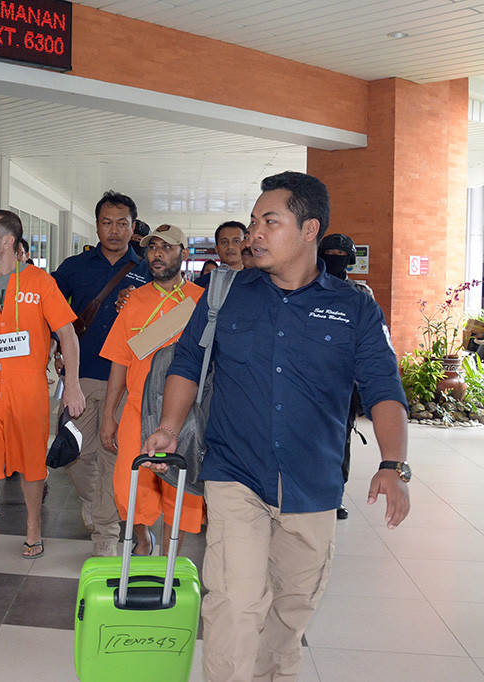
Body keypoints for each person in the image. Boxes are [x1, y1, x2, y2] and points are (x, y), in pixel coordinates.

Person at [142, 171, 410, 681]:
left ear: (309, 230)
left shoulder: (354, 306)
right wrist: (170, 426)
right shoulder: (223, 295)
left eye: (270, 221)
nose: (254, 234)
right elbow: (184, 364)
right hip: (234, 473)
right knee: (233, 604)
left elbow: (383, 388)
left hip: (312, 484)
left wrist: (394, 463)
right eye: (251, 222)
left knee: (290, 612)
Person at [0, 210, 86, 593]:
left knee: (32, 468)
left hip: (28, 393)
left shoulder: (40, 283)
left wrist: (72, 385)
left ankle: (33, 526)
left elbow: (68, 335)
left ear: (7, 240)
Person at [51, 190, 153, 557]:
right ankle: (98, 508)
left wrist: (138, 307)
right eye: (107, 222)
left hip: (126, 382)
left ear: (133, 227)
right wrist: (57, 356)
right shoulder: (73, 268)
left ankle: (106, 536)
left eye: (122, 223)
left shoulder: (147, 271)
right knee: (77, 457)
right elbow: (52, 317)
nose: (114, 230)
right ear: (96, 225)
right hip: (81, 378)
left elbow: (162, 325)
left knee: (112, 455)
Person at [100, 224, 205, 556]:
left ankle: (172, 554)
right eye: (152, 247)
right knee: (129, 487)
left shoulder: (202, 303)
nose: (157, 254)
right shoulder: (134, 299)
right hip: (135, 409)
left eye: (167, 247)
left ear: (183, 255)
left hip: (186, 413)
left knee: (182, 490)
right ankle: (143, 539)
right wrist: (108, 416)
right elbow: (119, 359)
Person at [318, 232, 374, 520]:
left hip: (343, 383)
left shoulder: (361, 295)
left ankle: (334, 494)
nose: (335, 261)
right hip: (310, 379)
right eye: (331, 255)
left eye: (341, 257)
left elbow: (371, 341)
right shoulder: (307, 288)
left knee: (340, 441)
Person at [194, 220, 247, 288]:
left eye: (236, 241)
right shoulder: (202, 284)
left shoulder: (257, 281)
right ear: (217, 249)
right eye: (224, 242)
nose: (230, 246)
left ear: (245, 246)